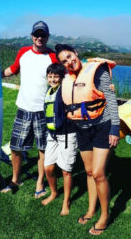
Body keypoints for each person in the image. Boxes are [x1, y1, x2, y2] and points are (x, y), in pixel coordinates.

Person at [55, 44, 120, 236]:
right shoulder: (66, 78)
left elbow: (111, 98)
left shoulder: (96, 70)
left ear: (76, 53)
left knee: (99, 173)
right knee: (90, 172)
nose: (69, 62)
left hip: (102, 126)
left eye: (70, 56)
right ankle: (92, 209)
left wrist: (115, 128)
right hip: (81, 129)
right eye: (64, 61)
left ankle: (105, 216)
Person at [1, 21, 58, 197]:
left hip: (44, 112)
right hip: (24, 109)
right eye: (36, 34)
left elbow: (64, 75)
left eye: (43, 35)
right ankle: (15, 179)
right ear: (32, 36)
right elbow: (13, 69)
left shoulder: (53, 56)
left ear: (47, 37)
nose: (39, 38)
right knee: (16, 147)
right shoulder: (23, 52)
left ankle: (40, 183)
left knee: (42, 149)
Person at [42, 63, 78, 216]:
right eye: (50, 76)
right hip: (52, 135)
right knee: (48, 168)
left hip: (67, 134)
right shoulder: (49, 91)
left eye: (56, 76)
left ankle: (66, 201)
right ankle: (54, 192)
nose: (53, 79)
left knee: (65, 171)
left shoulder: (66, 90)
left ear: (62, 77)